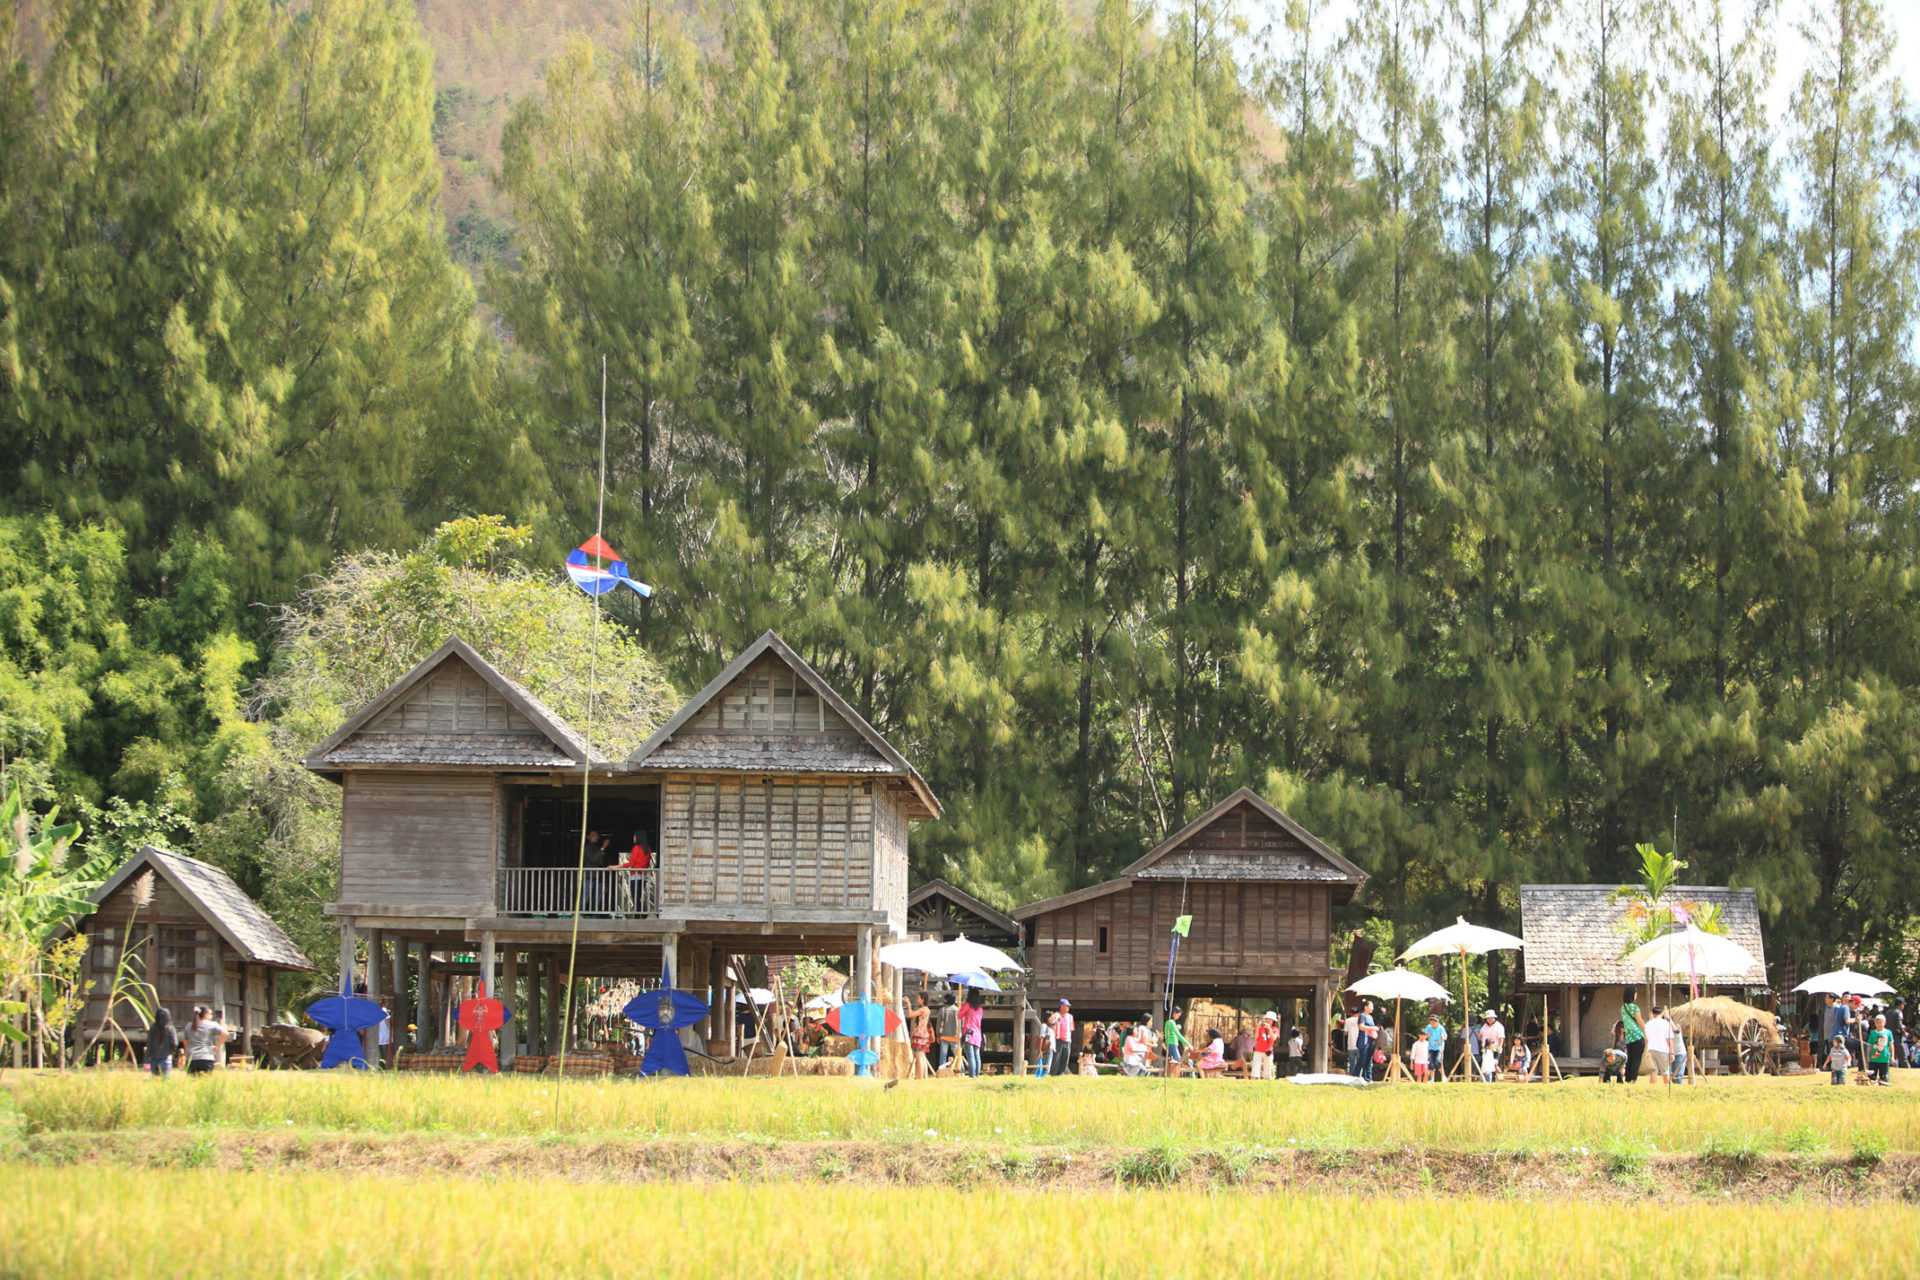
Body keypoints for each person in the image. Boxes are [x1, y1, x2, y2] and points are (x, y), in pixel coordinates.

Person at [185, 1006, 226, 1075]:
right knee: (206, 1083)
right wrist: (218, 1046)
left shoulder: (188, 1026)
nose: (212, 1016)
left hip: (192, 1059)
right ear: (206, 1014)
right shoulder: (212, 1024)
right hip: (207, 1058)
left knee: (192, 1083)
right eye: (211, 1014)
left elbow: (186, 1042)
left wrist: (187, 1053)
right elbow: (225, 1034)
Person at [1619, 993, 1647, 1083]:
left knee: (1630, 1058)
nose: (1636, 995)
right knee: (1637, 1058)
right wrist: (1646, 1033)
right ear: (1633, 995)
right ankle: (1633, 1079)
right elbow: (1640, 1021)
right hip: (1637, 1035)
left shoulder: (1623, 1007)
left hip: (1629, 1037)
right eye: (1635, 993)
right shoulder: (1634, 1007)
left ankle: (1627, 1079)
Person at [144, 1007, 179, 1077]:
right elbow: (175, 1043)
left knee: (155, 1081)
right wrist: (171, 1052)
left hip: (153, 1059)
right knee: (165, 1083)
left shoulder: (152, 1028)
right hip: (166, 1058)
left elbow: (149, 1044)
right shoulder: (171, 1028)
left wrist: (147, 1059)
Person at [1642, 1005, 1673, 1080]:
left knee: (1653, 1071)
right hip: (1663, 1050)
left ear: (1652, 1013)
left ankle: (1653, 1089)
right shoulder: (1666, 1023)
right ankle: (1666, 1087)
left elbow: (1645, 1039)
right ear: (1662, 1013)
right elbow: (1670, 1039)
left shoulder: (1648, 1024)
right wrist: (1672, 1052)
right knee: (1665, 1071)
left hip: (1651, 1049)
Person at [958, 990, 985, 1078]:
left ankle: (972, 1075)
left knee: (970, 1056)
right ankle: (977, 1074)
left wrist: (962, 1005)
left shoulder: (967, 1006)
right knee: (977, 1055)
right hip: (977, 1034)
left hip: (969, 1033)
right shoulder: (980, 1009)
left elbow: (959, 1015)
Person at [908, 994, 934, 1079]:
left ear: (922, 999)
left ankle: (919, 1076)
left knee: (919, 1056)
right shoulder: (927, 1010)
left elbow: (910, 1014)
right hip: (924, 1034)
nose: (917, 1000)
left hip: (920, 1034)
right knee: (922, 1056)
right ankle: (924, 1075)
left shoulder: (923, 1009)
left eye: (918, 998)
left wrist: (908, 1004)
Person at [1867, 1013, 1894, 1087]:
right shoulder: (1872, 1033)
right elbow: (1870, 1046)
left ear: (1884, 1023)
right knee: (1871, 1077)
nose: (1879, 1024)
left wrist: (1892, 1056)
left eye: (1881, 1022)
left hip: (1884, 1059)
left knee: (1884, 1077)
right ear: (1875, 1023)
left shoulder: (1888, 1032)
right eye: (1877, 1022)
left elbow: (1891, 1045)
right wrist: (1868, 1057)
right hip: (1873, 1059)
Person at [1251, 1011, 1280, 1080]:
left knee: (1268, 1068)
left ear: (1273, 1021)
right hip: (1258, 1050)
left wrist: (1269, 1029)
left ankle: (1267, 1080)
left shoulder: (1275, 1029)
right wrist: (1257, 1027)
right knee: (1256, 1066)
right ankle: (1255, 1078)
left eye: (1270, 1019)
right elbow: (1256, 1038)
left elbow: (1273, 1038)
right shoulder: (1261, 1028)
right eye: (1267, 1019)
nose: (1268, 1021)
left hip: (1268, 1051)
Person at [1478, 1010, 1504, 1083]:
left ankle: (1499, 1079)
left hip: (1495, 1049)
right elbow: (1480, 1035)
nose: (1489, 1019)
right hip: (1485, 1049)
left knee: (1494, 1064)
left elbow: (1501, 1038)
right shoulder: (1484, 1026)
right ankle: (1487, 1080)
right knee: (1486, 1065)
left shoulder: (1499, 1026)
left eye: (1490, 1018)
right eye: (1487, 1018)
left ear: (1494, 1018)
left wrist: (1499, 1048)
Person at [1052, 999, 1075, 1079]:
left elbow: (1071, 1029)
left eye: (1068, 1006)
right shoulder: (1056, 1014)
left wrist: (1069, 1039)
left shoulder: (1070, 1017)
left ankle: (1061, 1073)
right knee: (1057, 1057)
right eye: (1066, 1006)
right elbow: (1050, 1022)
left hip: (1067, 1040)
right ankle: (1054, 1074)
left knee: (1065, 1058)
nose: (1068, 1007)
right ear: (1061, 1006)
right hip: (1058, 1039)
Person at [936, 996, 960, 1073]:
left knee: (943, 1055)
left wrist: (938, 1035)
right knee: (957, 1054)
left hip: (944, 1035)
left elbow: (938, 1024)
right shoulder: (957, 1010)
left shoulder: (942, 1010)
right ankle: (960, 1069)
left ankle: (941, 1071)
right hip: (954, 1035)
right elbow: (960, 1023)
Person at [1163, 1007, 1189, 1075]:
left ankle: (1173, 1075)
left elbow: (1171, 1032)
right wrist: (1188, 1043)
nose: (1178, 1017)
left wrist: (1177, 1027)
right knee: (1177, 1060)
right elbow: (1178, 1035)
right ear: (1174, 1013)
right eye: (1178, 1015)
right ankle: (1174, 1075)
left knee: (1175, 1060)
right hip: (1172, 1043)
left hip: (1171, 1043)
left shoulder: (1170, 1022)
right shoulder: (1171, 1022)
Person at [1423, 1014, 1447, 1083]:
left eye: (1434, 1022)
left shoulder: (1441, 1028)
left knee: (1438, 1061)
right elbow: (1425, 1035)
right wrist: (1427, 1035)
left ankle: (1443, 1076)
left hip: (1439, 1048)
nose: (1432, 1024)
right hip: (1430, 1047)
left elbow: (1445, 1037)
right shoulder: (1428, 1027)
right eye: (1431, 1022)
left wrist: (1442, 1038)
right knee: (1431, 1063)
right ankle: (1432, 1079)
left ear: (1437, 1022)